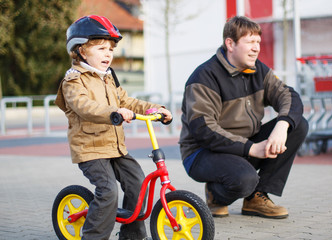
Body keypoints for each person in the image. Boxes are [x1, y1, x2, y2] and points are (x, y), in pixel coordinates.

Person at [55, 15, 172, 240]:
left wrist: (156, 109)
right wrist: (113, 113)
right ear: (80, 50)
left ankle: (132, 236)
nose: (108, 54)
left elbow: (128, 102)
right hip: (90, 148)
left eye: (110, 49)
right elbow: (83, 106)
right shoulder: (73, 80)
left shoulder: (108, 78)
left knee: (138, 182)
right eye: (101, 48)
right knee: (108, 191)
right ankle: (93, 237)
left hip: (115, 147)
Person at [179, 16, 308, 219]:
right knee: (245, 179)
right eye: (250, 42)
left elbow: (289, 96)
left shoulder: (258, 70)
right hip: (203, 152)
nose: (256, 48)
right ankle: (216, 195)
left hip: (244, 146)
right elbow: (204, 130)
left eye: (258, 42)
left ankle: (256, 197)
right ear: (230, 43)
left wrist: (282, 126)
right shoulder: (204, 77)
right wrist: (251, 148)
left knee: (297, 125)